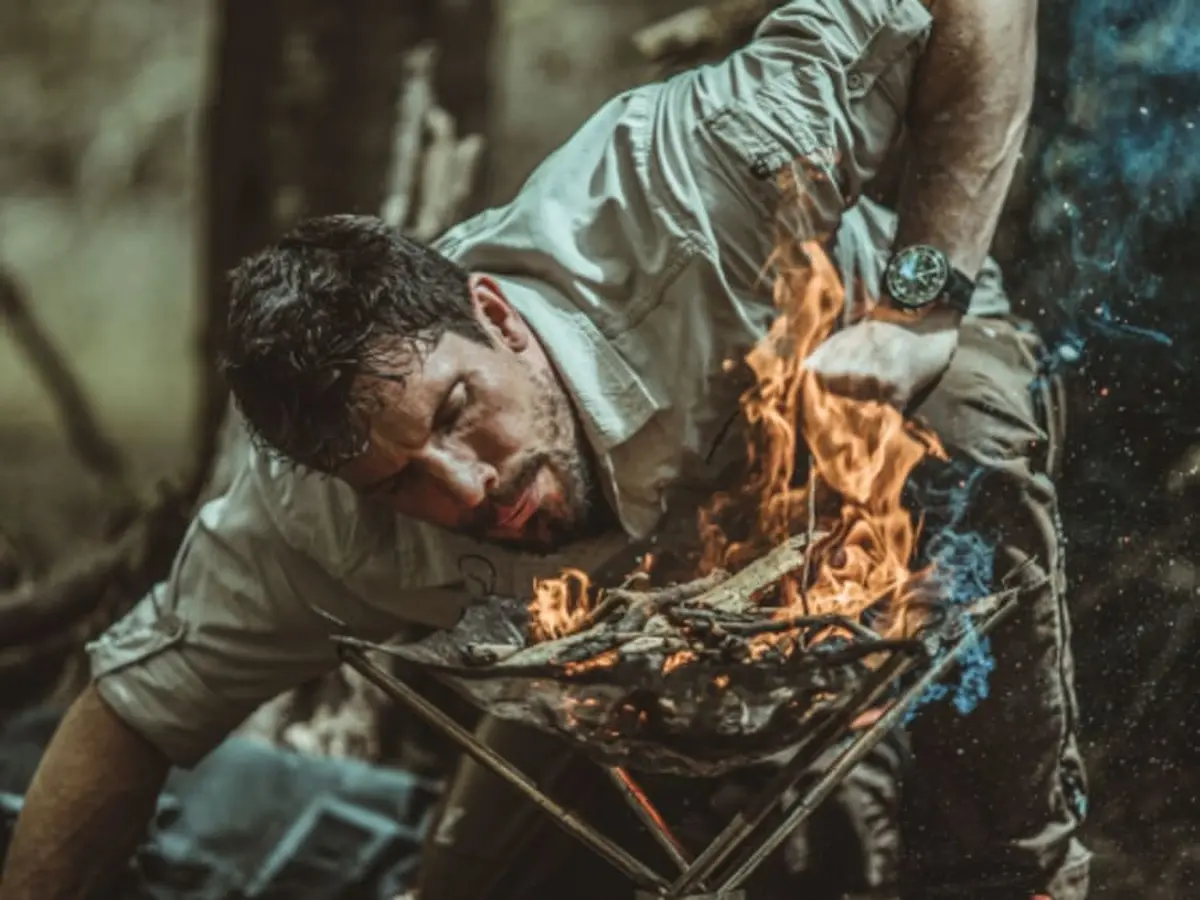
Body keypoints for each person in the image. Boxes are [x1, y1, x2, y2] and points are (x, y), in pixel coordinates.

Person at [0, 0, 1089, 898]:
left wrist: (917, 308)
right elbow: (129, 716)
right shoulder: (307, 525)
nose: (470, 489)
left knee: (962, 435)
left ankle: (1005, 867)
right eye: (401, 484)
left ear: (499, 316)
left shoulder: (697, 177)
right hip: (612, 647)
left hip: (855, 403)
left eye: (454, 413)